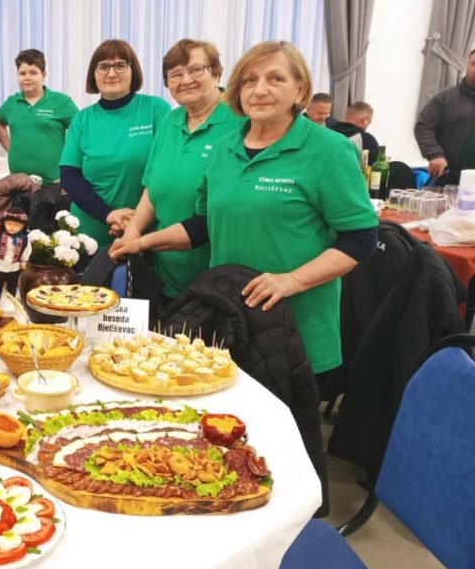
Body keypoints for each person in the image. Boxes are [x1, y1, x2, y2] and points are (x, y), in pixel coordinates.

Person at [110, 41, 377, 385]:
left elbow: (360, 238)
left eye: (275, 79)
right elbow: (203, 225)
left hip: (294, 328)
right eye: (250, 80)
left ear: (300, 90)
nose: (260, 90)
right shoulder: (223, 149)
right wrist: (141, 242)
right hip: (228, 320)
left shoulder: (329, 150)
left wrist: (291, 280)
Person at [105, 39, 245, 299]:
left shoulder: (241, 120)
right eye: (176, 74)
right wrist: (132, 232)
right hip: (165, 275)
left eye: (196, 70)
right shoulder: (170, 121)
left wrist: (140, 241)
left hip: (219, 278)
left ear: (216, 72)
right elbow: (151, 190)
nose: (186, 80)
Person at [59, 39, 170, 247]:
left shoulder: (156, 109)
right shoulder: (82, 119)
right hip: (89, 235)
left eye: (120, 65)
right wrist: (109, 215)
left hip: (145, 231)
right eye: (103, 66)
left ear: (133, 70)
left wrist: (135, 222)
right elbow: (69, 176)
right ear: (93, 73)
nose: (111, 73)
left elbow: (165, 169)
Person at [0, 49, 78, 184]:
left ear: (43, 74)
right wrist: (10, 147)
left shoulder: (62, 102)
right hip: (18, 183)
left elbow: (81, 131)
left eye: (33, 73)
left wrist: (70, 164)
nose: (27, 78)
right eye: (22, 73)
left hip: (54, 182)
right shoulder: (11, 103)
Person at [415, 48, 475, 183]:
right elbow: (424, 126)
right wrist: (435, 154)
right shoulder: (446, 97)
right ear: (467, 65)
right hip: (448, 176)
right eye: (474, 64)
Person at [0, 207, 30, 302]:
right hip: (1, 263)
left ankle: (12, 301)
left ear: (22, 226)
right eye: (9, 224)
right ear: (4, 223)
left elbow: (26, 249)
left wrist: (23, 260)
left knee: (12, 285)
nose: (12, 227)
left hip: (14, 266)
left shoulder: (24, 239)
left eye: (16, 225)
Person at [328, 100, 380, 166]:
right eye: (369, 122)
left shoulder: (327, 131)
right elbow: (375, 167)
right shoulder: (367, 140)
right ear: (365, 119)